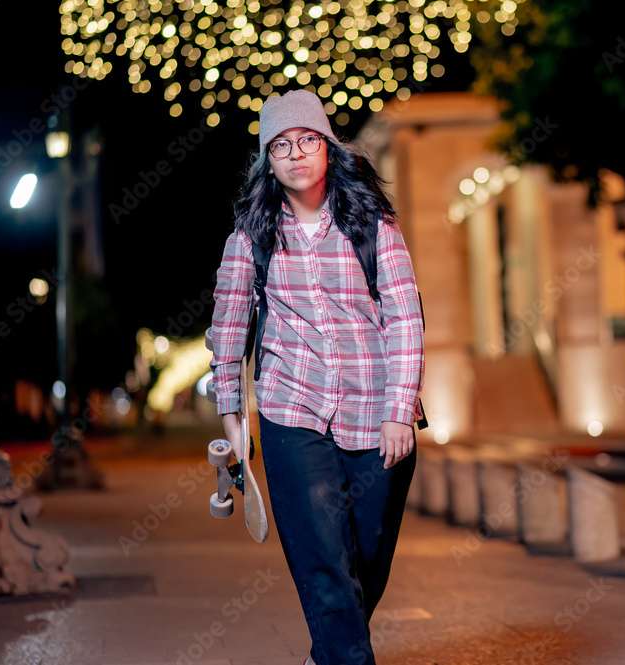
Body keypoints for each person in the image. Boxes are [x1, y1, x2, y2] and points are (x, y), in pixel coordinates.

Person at [209, 89, 424, 665]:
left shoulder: (374, 227)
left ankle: (326, 656)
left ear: (328, 148)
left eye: (307, 140)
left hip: (376, 412)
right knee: (323, 562)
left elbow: (405, 316)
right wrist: (233, 420)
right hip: (291, 411)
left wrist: (399, 408)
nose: (297, 153)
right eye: (281, 145)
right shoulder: (250, 237)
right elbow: (227, 331)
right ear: (268, 161)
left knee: (366, 560)